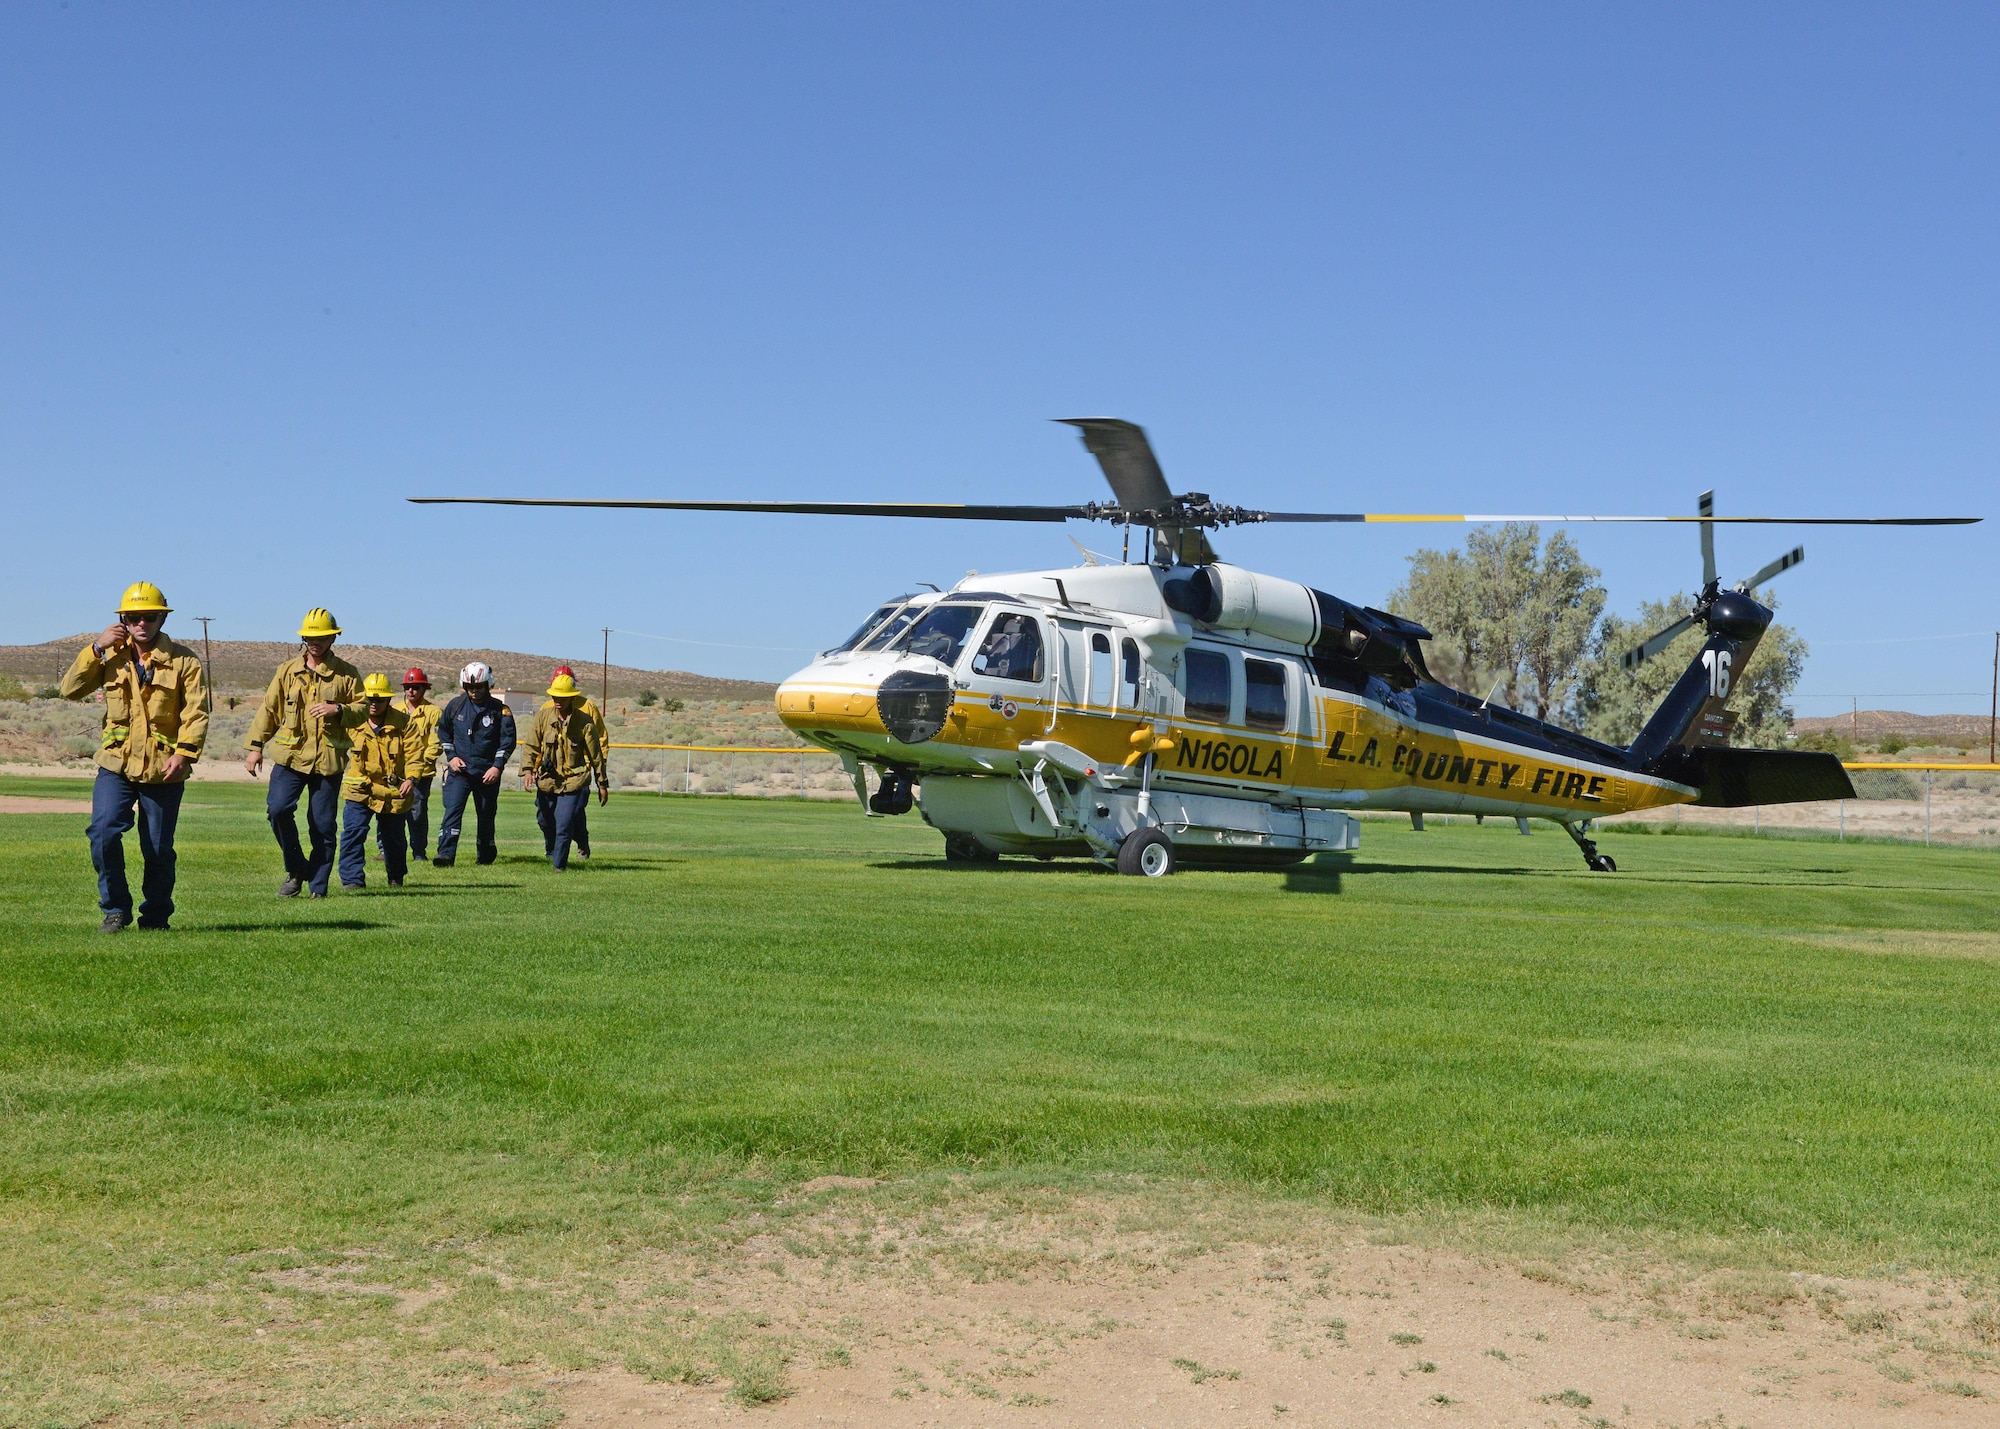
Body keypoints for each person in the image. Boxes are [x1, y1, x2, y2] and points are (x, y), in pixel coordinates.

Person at [58, 582, 208, 933]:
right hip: (117, 765)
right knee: (103, 833)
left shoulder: (184, 660)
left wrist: (184, 754)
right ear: (123, 619)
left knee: (157, 849)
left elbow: (196, 711)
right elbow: (70, 689)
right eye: (134, 617)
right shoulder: (110, 655)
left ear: (161, 619)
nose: (142, 623)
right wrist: (96, 648)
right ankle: (114, 910)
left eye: (150, 617)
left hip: (163, 769)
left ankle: (155, 917)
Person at [244, 607, 361, 899]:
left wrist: (339, 710)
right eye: (309, 636)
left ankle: (318, 888)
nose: (314, 641)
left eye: (321, 636)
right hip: (290, 757)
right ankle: (296, 869)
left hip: (327, 761)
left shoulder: (347, 674)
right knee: (278, 810)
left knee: (322, 826)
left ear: (333, 638)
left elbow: (362, 710)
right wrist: (255, 747)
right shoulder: (287, 671)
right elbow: (269, 710)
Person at [521, 672, 608, 870]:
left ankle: (558, 866)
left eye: (562, 697)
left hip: (574, 781)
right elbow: (531, 746)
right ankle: (553, 851)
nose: (558, 701)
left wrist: (602, 783)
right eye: (555, 697)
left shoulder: (585, 721)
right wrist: (527, 770)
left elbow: (596, 756)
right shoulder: (543, 717)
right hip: (547, 780)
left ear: (572, 697)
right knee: (544, 820)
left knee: (564, 824)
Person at [338, 674, 416, 890]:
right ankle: (352, 880)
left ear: (388, 700)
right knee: (353, 833)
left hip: (393, 792)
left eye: (379, 700)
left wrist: (411, 778)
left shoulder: (404, 723)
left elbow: (414, 755)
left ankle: (396, 876)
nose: (373, 704)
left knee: (395, 840)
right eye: (369, 700)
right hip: (359, 789)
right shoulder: (352, 721)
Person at [434, 662, 515, 866]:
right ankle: (445, 854)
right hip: (460, 772)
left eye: (479, 687)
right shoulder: (455, 706)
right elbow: (443, 732)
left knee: (486, 815)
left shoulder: (500, 710)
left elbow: (508, 741)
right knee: (452, 810)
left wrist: (497, 766)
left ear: (488, 685)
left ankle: (486, 853)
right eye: (470, 688)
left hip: (487, 772)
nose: (475, 691)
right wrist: (451, 756)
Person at [382, 667, 442, 862]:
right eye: (408, 687)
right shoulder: (393, 711)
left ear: (424, 689)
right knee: (387, 809)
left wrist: (417, 766)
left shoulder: (433, 712)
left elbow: (436, 743)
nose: (411, 691)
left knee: (417, 812)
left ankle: (419, 852)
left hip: (421, 773)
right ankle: (385, 851)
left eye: (416, 687)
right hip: (394, 773)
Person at [550, 664, 608, 857]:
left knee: (574, 813)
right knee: (547, 813)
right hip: (552, 773)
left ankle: (581, 843)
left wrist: (598, 767)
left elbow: (600, 737)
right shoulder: (547, 708)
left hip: (579, 771)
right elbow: (540, 739)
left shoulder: (587, 706)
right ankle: (552, 850)